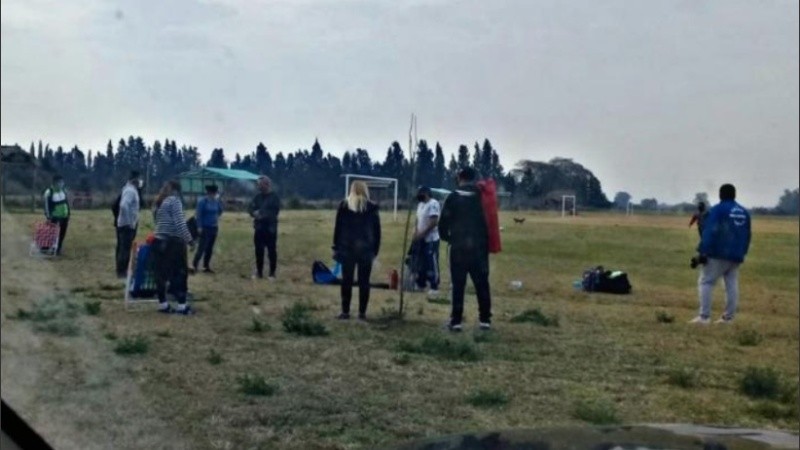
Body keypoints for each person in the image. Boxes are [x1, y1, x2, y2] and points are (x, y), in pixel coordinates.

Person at [438, 167, 492, 332]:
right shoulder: (482, 197)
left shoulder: (453, 198)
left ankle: (456, 321)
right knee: (482, 284)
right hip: (479, 248)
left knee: (458, 284)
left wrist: (449, 238)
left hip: (459, 248)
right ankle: (485, 320)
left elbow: (443, 224)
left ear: (459, 178)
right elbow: (490, 221)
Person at [689, 184, 751, 325]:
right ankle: (728, 318)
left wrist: (702, 251)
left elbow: (710, 232)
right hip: (736, 254)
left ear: (720, 195)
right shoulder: (744, 212)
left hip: (718, 253)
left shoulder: (717, 211)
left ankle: (704, 317)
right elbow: (748, 235)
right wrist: (743, 251)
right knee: (731, 284)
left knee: (706, 281)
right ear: (734, 195)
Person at [332, 181, 381, 321]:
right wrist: (375, 250)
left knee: (346, 280)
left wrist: (336, 246)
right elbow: (377, 231)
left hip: (347, 248)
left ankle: (345, 311)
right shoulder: (372, 207)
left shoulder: (344, 205)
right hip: (366, 249)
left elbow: (338, 228)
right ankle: (362, 313)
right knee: (364, 281)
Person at [152, 180, 195, 315]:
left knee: (162, 275)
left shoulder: (160, 202)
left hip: (159, 242)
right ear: (177, 191)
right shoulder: (174, 201)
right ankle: (182, 306)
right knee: (179, 274)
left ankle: (163, 305)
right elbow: (180, 223)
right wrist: (190, 240)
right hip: (173, 243)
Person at [248, 176, 282, 279]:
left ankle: (272, 273)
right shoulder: (257, 197)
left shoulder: (274, 197)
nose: (258, 186)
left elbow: (275, 211)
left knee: (271, 251)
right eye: (258, 184)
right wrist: (254, 213)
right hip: (259, 228)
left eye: (260, 184)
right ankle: (259, 272)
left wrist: (262, 214)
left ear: (266, 184)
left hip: (270, 228)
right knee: (259, 251)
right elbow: (250, 208)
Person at [414, 186, 442, 298]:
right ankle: (421, 283)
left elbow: (434, 222)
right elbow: (417, 220)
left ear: (426, 193)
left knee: (431, 261)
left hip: (431, 238)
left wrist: (423, 233)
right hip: (420, 237)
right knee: (421, 262)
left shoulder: (433, 203)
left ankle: (434, 285)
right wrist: (415, 232)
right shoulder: (420, 205)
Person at [115, 171, 142, 278]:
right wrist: (129, 221)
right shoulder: (130, 191)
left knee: (123, 248)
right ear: (135, 179)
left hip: (125, 224)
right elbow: (123, 206)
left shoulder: (129, 189)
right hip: (127, 225)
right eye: (140, 178)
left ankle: (121, 270)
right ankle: (122, 272)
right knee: (124, 249)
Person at [192, 184, 223, 273]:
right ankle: (195, 265)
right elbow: (198, 215)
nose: (214, 194)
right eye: (213, 193)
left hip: (214, 227)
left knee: (209, 248)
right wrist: (199, 226)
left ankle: (206, 266)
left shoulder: (216, 202)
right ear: (209, 193)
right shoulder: (203, 202)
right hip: (205, 227)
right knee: (202, 248)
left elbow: (220, 210)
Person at [42, 174, 71, 256]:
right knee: (51, 233)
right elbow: (46, 205)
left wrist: (68, 213)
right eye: (60, 182)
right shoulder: (49, 192)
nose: (62, 184)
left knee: (62, 234)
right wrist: (48, 216)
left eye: (62, 182)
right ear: (55, 182)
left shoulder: (64, 191)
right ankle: (45, 248)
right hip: (54, 216)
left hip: (64, 216)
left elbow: (66, 203)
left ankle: (58, 249)